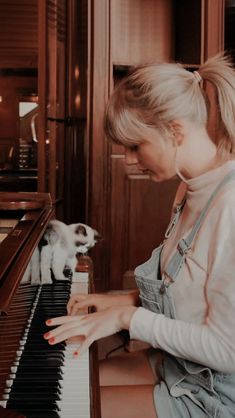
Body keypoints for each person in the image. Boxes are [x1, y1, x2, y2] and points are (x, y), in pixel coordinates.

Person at [44, 53, 235, 418]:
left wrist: (126, 319)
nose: (130, 160)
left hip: (215, 395)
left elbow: (228, 350)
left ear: (175, 131)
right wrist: (121, 300)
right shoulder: (188, 190)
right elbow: (184, 292)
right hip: (179, 366)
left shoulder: (230, 207)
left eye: (135, 146)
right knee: (71, 377)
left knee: (66, 410)